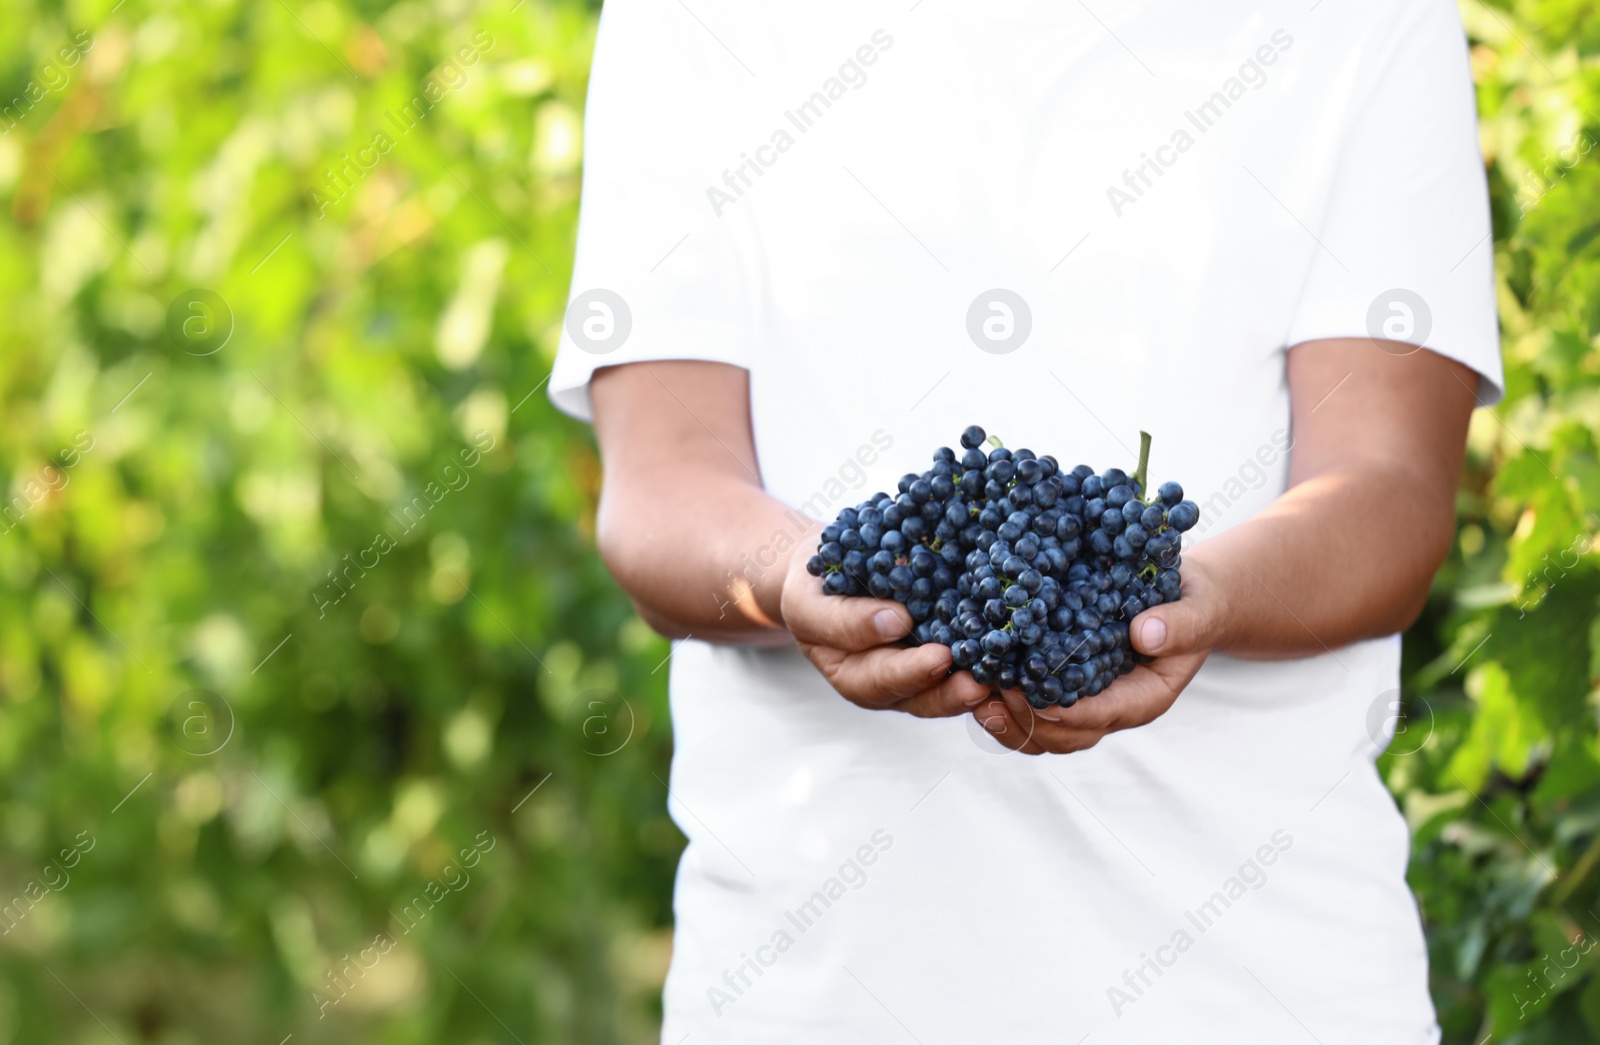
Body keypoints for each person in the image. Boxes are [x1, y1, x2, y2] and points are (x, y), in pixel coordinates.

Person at [549, 0, 1501, 1040]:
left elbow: (1389, 491)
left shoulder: (1366, 21)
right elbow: (659, 488)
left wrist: (1208, 600)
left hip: (1260, 994)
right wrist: (788, 579)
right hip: (809, 997)